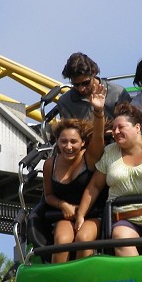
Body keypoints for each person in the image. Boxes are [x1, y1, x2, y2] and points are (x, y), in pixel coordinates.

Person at [74, 102, 142, 256]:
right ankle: (138, 278)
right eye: (113, 129)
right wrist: (81, 214)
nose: (115, 132)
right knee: (120, 237)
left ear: (137, 128)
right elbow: (95, 186)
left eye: (121, 127)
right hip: (125, 215)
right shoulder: (110, 153)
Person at [43, 87, 106, 263]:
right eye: (63, 142)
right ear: (57, 142)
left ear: (83, 142)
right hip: (65, 215)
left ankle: (85, 279)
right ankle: (58, 279)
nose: (68, 147)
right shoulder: (50, 164)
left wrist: (98, 111)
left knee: (83, 239)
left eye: (73, 142)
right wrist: (63, 205)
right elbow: (48, 195)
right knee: (62, 240)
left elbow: (99, 138)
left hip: (93, 214)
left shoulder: (89, 157)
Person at [58, 51, 131, 121]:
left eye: (86, 83)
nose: (81, 89)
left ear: (93, 74)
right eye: (76, 85)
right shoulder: (65, 102)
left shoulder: (118, 93)